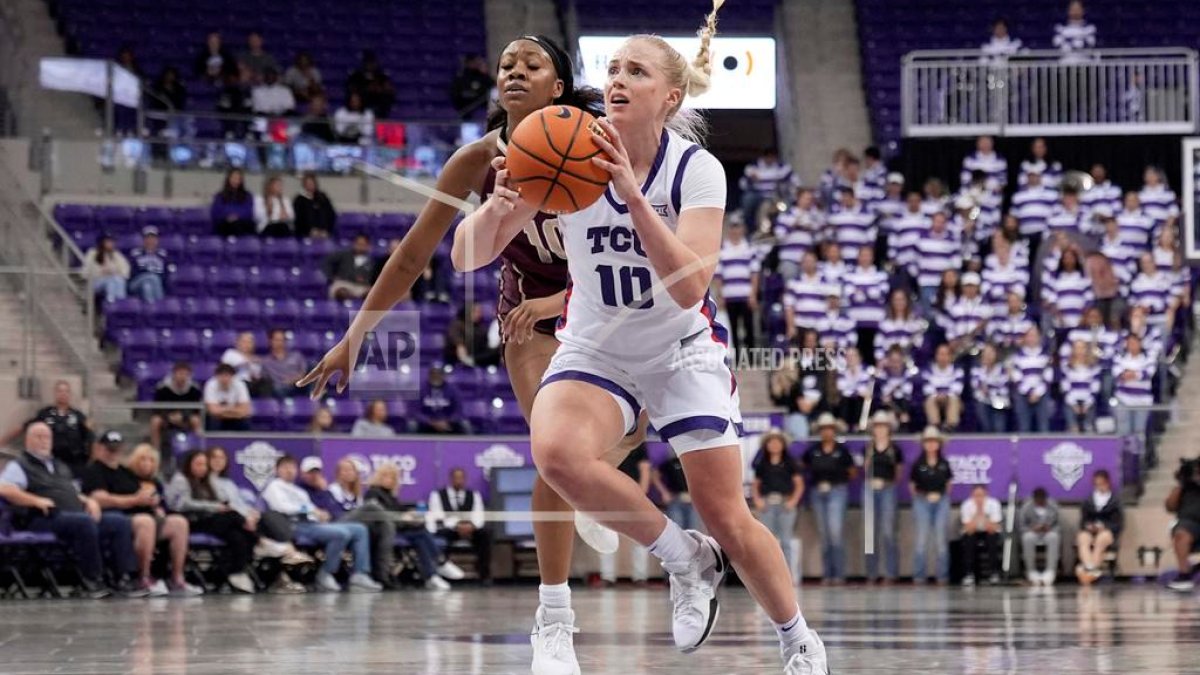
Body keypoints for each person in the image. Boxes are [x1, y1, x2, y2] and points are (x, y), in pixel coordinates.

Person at [446, 9, 830, 671]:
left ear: (669, 95)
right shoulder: (565, 144)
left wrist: (630, 192)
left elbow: (690, 285)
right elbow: (464, 256)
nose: (618, 79)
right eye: (614, 69)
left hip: (682, 348)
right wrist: (502, 204)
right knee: (556, 452)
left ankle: (797, 636)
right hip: (598, 345)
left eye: (637, 70)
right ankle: (685, 556)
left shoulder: (697, 170)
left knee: (727, 515)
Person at [297, 33, 642, 675]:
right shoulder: (476, 161)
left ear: (558, 87)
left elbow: (637, 248)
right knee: (551, 452)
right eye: (506, 64)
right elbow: (413, 253)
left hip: (605, 309)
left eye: (531, 64)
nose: (514, 71)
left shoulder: (600, 144)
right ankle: (555, 620)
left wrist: (559, 302)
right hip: (526, 323)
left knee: (631, 427)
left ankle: (603, 481)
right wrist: (356, 334)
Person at [0, 423, 145, 598]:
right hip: (41, 517)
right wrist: (35, 500)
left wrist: (89, 501)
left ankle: (123, 578)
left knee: (118, 521)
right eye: (38, 436)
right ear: (27, 440)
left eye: (47, 437)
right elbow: (5, 489)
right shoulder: (19, 465)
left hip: (73, 514)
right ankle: (92, 580)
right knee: (83, 523)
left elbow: (73, 491)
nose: (43, 441)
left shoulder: (59, 466)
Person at [81, 436, 202, 596]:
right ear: (99, 448)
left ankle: (177, 578)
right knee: (145, 522)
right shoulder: (94, 470)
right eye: (109, 448)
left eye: (116, 448)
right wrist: (134, 500)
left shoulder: (125, 472)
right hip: (114, 518)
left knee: (179, 523)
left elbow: (142, 493)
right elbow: (100, 498)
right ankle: (143, 577)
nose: (113, 452)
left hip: (141, 513)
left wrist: (153, 502)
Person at [261, 455, 382, 593]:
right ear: (278, 470)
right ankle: (325, 573)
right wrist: (310, 510)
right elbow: (281, 507)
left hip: (312, 523)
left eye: (292, 467)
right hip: (294, 525)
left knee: (360, 529)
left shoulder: (298, 491)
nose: (289, 471)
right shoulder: (274, 486)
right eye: (285, 467)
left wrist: (319, 514)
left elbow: (311, 508)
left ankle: (360, 574)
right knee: (341, 534)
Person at [165, 450, 257, 593]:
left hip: (210, 520)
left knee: (237, 536)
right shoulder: (181, 479)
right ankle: (255, 540)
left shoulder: (207, 480)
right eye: (199, 464)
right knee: (235, 519)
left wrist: (219, 503)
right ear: (189, 464)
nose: (202, 468)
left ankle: (227, 573)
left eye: (205, 465)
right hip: (189, 521)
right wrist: (215, 507)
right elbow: (183, 504)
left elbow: (221, 500)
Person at [364, 463, 463, 590]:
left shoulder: (389, 494)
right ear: (378, 477)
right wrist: (403, 518)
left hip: (397, 527)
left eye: (393, 477)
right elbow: (381, 515)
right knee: (419, 531)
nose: (390, 480)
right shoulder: (373, 493)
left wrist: (409, 513)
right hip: (383, 530)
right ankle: (440, 562)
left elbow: (399, 509)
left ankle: (431, 577)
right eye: (386, 476)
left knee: (420, 538)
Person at [801, 413, 856, 586]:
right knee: (824, 534)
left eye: (830, 429)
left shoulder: (842, 451)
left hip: (836, 490)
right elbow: (803, 466)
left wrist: (840, 481)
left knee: (835, 532)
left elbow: (852, 471)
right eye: (824, 429)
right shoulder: (813, 450)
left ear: (834, 431)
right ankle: (827, 573)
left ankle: (839, 573)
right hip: (818, 491)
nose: (827, 433)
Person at [5, 380, 96, 475]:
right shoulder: (45, 414)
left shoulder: (79, 416)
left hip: (74, 464)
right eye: (60, 391)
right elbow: (24, 427)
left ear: (70, 394)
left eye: (66, 391)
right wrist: (2, 441)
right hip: (49, 463)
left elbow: (92, 438)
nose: (63, 394)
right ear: (55, 393)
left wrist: (92, 462)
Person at [427, 467, 495, 586]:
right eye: (456, 478)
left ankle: (484, 574)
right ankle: (445, 574)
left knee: (485, 534)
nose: (458, 480)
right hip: (450, 528)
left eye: (461, 478)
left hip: (470, 528)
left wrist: (471, 525)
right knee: (441, 537)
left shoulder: (473, 494)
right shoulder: (437, 495)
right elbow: (437, 514)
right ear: (451, 479)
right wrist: (457, 525)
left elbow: (478, 513)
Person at [751, 430, 803, 579]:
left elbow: (799, 484)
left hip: (785, 503)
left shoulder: (790, 463)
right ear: (766, 445)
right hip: (767, 503)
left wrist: (793, 500)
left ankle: (787, 575)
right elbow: (756, 484)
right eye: (771, 442)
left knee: (786, 540)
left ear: (783, 445)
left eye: (777, 442)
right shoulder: (762, 463)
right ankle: (769, 575)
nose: (774, 445)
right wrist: (758, 500)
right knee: (768, 541)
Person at [863, 412, 902, 584]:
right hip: (871, 487)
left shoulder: (895, 449)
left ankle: (891, 572)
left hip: (887, 487)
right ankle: (871, 573)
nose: (880, 429)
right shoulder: (868, 448)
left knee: (888, 531)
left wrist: (889, 483)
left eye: (883, 426)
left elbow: (899, 471)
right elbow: (864, 469)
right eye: (877, 426)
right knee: (870, 533)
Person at [910, 426, 953, 584]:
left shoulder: (944, 464)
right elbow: (912, 485)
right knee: (921, 539)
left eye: (934, 441)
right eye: (928, 441)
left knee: (941, 539)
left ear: (939, 444)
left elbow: (949, 483)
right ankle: (919, 576)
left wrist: (940, 496)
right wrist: (923, 497)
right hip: (922, 501)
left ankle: (942, 576)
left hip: (940, 500)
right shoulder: (917, 464)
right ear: (923, 444)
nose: (931, 445)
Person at [713, 220, 759, 356]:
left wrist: (753, 295)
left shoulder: (749, 248)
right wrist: (720, 296)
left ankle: (750, 357)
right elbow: (718, 276)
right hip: (729, 295)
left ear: (742, 229)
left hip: (746, 294)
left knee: (748, 326)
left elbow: (755, 274)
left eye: (737, 227)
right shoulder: (722, 250)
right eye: (732, 227)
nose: (735, 230)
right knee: (732, 328)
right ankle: (737, 357)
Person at [1077, 469, 1122, 584]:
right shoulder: (1088, 501)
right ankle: (1090, 568)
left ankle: (1090, 570)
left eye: (1102, 483)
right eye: (1097, 484)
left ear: (1107, 483)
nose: (1099, 487)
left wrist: (1104, 526)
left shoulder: (1115, 501)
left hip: (1107, 531)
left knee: (1101, 540)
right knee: (1082, 538)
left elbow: (1118, 522)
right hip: (1090, 529)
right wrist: (1089, 526)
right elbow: (1083, 521)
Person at [150, 361, 203, 451]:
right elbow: (157, 408)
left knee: (196, 420)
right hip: (166, 417)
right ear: (174, 374)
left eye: (185, 374)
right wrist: (168, 416)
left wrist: (183, 416)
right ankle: (156, 451)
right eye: (180, 373)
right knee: (155, 421)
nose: (182, 377)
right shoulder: (162, 388)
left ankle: (198, 449)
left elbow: (196, 409)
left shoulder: (194, 389)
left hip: (186, 417)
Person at [1009, 326, 1053, 432]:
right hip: (1023, 393)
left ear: (1039, 338)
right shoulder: (1017, 356)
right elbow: (1016, 377)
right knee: (1024, 427)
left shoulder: (1045, 356)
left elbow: (1048, 377)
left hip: (1041, 393)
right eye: (1029, 336)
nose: (1032, 338)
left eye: (1034, 335)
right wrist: (1029, 392)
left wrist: (1037, 393)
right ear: (1025, 338)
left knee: (1043, 427)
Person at [1165, 458, 1200, 592]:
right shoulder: (1185, 488)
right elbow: (1170, 507)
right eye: (1195, 472)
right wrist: (1181, 485)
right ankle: (1184, 575)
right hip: (1189, 523)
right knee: (1181, 534)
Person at [960, 484, 1003, 586]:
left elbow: (993, 528)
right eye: (976, 495)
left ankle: (994, 573)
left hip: (989, 531)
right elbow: (968, 529)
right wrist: (977, 513)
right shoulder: (966, 505)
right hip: (973, 532)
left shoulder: (994, 504)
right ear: (972, 495)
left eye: (981, 495)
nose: (979, 498)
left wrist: (982, 512)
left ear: (986, 494)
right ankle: (969, 574)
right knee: (969, 540)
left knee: (992, 539)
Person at [1019, 487, 1060, 586]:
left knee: (1054, 537)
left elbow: (1058, 525)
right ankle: (1031, 571)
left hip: (1048, 532)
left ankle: (1050, 571)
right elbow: (1021, 526)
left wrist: (1049, 528)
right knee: (1027, 538)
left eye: (1042, 499)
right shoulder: (1026, 507)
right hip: (1032, 532)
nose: (1040, 501)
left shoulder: (1053, 506)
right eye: (1038, 499)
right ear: (1034, 499)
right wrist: (1032, 529)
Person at [321, 234, 378, 300]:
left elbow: (373, 278)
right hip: (344, 284)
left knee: (371, 294)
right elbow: (327, 262)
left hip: (361, 287)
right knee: (341, 293)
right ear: (354, 244)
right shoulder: (344, 255)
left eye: (363, 245)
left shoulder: (371, 261)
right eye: (358, 244)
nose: (360, 247)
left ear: (368, 246)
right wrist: (331, 277)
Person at [1062, 340, 1101, 432]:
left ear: (1086, 349)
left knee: (1088, 428)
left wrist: (1086, 405)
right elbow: (1065, 388)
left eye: (1082, 348)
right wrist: (1074, 405)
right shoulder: (1067, 367)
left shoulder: (1094, 367)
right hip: (1071, 402)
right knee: (1073, 428)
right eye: (1077, 348)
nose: (1079, 350)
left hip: (1088, 402)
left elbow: (1095, 388)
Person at [923, 344, 964, 432]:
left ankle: (950, 427)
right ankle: (935, 427)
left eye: (945, 354)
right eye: (941, 354)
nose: (943, 357)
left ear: (950, 356)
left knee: (954, 399)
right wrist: (937, 395)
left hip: (950, 398)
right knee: (929, 400)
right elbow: (927, 388)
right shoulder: (929, 369)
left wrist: (945, 394)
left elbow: (957, 388)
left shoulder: (957, 370)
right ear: (936, 356)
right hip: (935, 398)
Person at [971, 344, 1010, 433]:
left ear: (995, 354)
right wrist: (991, 387)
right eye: (986, 353)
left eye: (990, 353)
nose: (988, 356)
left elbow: (1003, 386)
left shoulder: (1002, 369)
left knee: (999, 427)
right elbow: (977, 385)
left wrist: (989, 389)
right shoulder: (977, 369)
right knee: (986, 426)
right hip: (983, 401)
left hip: (999, 401)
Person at [347, 50, 396, 118]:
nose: (370, 65)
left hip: (379, 109)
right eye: (368, 63)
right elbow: (351, 91)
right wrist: (366, 89)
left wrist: (381, 90)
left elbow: (390, 92)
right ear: (364, 63)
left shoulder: (382, 77)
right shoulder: (356, 76)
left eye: (372, 63)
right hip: (362, 109)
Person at [261, 329, 308, 399]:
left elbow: (305, 372)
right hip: (277, 389)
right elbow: (264, 378)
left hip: (297, 386)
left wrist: (294, 379)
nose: (279, 343)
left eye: (282, 340)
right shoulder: (266, 361)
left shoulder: (297, 356)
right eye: (276, 340)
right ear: (270, 341)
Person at [203, 363, 251, 431]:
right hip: (218, 419)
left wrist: (223, 410)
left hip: (235, 418)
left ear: (232, 376)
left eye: (227, 375)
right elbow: (213, 411)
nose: (224, 379)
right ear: (216, 376)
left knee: (245, 422)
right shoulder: (211, 384)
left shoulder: (240, 385)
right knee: (213, 420)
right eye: (221, 376)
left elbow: (245, 411)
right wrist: (234, 410)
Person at [417, 367, 467, 433]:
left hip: (448, 423)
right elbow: (415, 411)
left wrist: (447, 421)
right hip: (426, 424)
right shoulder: (421, 389)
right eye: (433, 373)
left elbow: (458, 410)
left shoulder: (453, 390)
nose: (436, 376)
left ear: (443, 375)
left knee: (465, 425)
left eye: (439, 373)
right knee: (412, 425)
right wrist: (431, 422)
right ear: (429, 375)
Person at [83, 233, 130, 304]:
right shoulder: (92, 253)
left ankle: (119, 303)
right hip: (96, 282)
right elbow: (85, 273)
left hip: (114, 280)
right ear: (102, 242)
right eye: (108, 241)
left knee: (118, 280)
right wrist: (100, 272)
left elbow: (125, 270)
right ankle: (110, 303)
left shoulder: (116, 254)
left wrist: (114, 271)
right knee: (111, 281)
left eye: (112, 241)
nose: (111, 243)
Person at [127, 226, 168, 303]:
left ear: (157, 240)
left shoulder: (163, 255)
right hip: (136, 283)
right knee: (153, 277)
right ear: (143, 240)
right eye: (147, 238)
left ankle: (150, 310)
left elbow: (166, 275)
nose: (150, 241)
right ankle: (160, 305)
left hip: (152, 285)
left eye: (153, 238)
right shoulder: (135, 254)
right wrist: (149, 272)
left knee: (147, 287)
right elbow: (132, 273)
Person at [211, 168, 255, 236]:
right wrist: (228, 217)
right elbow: (216, 213)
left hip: (242, 224)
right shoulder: (219, 196)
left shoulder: (247, 196)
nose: (236, 181)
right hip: (225, 224)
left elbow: (248, 212)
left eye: (238, 179)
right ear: (228, 179)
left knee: (242, 225)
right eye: (234, 178)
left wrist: (237, 217)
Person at [293, 172, 337, 238]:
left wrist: (327, 230)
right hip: (307, 234)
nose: (310, 185)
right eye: (307, 183)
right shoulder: (299, 199)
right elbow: (298, 219)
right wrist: (309, 230)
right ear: (304, 185)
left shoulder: (323, 197)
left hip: (324, 232)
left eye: (311, 183)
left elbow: (331, 214)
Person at [450, 53, 495, 119]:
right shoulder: (461, 78)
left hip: (483, 111)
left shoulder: (483, 77)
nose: (477, 63)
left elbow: (493, 88)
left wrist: (486, 74)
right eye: (475, 62)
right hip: (466, 111)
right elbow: (455, 95)